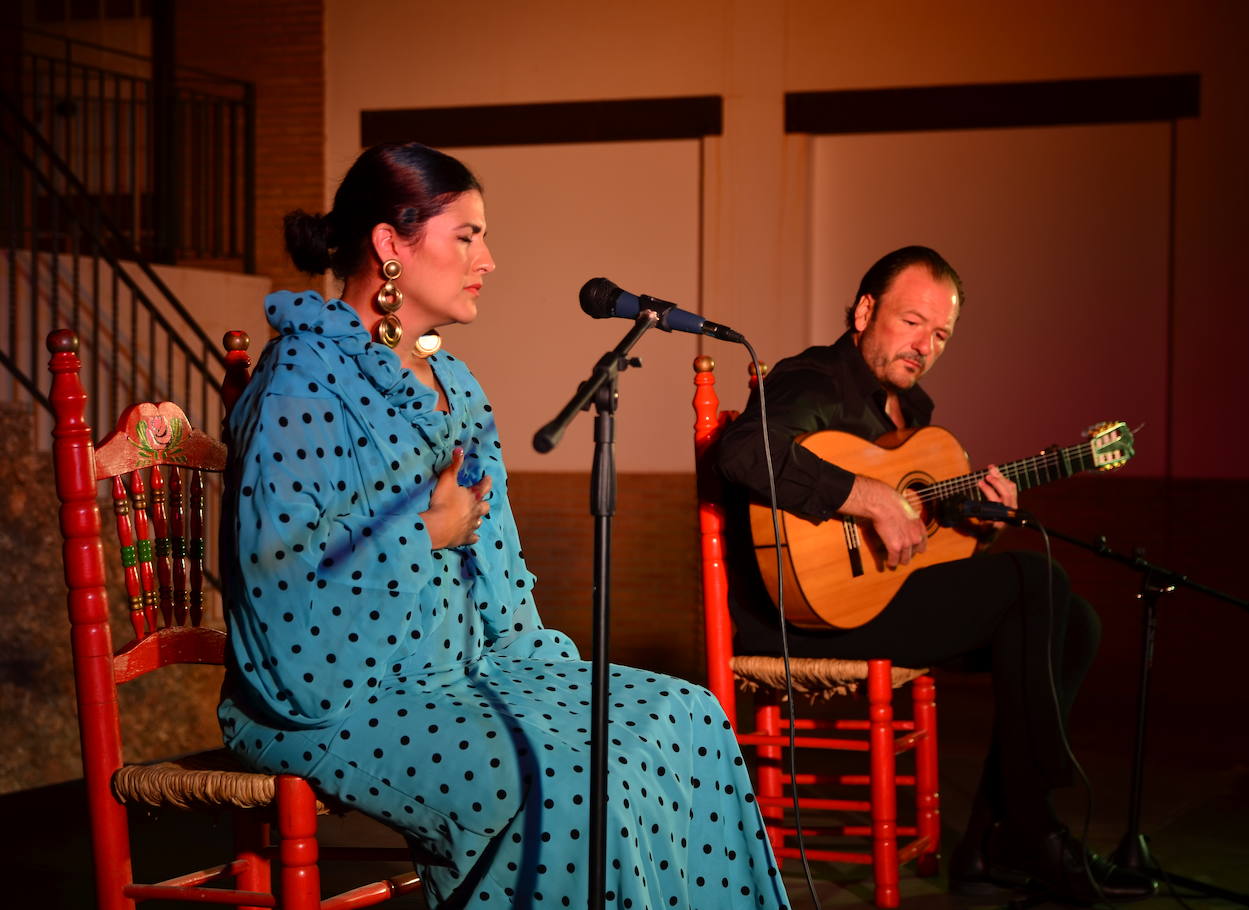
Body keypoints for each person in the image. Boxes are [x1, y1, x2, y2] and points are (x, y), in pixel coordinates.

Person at [218, 142, 790, 909]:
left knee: (687, 715)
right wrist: (428, 530)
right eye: (467, 236)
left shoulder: (454, 383)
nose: (488, 258)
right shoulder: (298, 385)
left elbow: (498, 564)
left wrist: (534, 665)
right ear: (391, 244)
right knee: (571, 781)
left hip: (468, 670)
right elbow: (280, 592)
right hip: (339, 701)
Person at [714, 246, 1155, 904]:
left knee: (1074, 623)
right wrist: (865, 496)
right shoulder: (814, 379)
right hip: (798, 615)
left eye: (941, 334)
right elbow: (746, 451)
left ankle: (990, 840)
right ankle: (1031, 834)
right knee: (1036, 587)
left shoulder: (913, 411)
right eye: (912, 321)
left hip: (873, 602)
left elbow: (916, 545)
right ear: (865, 311)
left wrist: (977, 523)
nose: (925, 345)